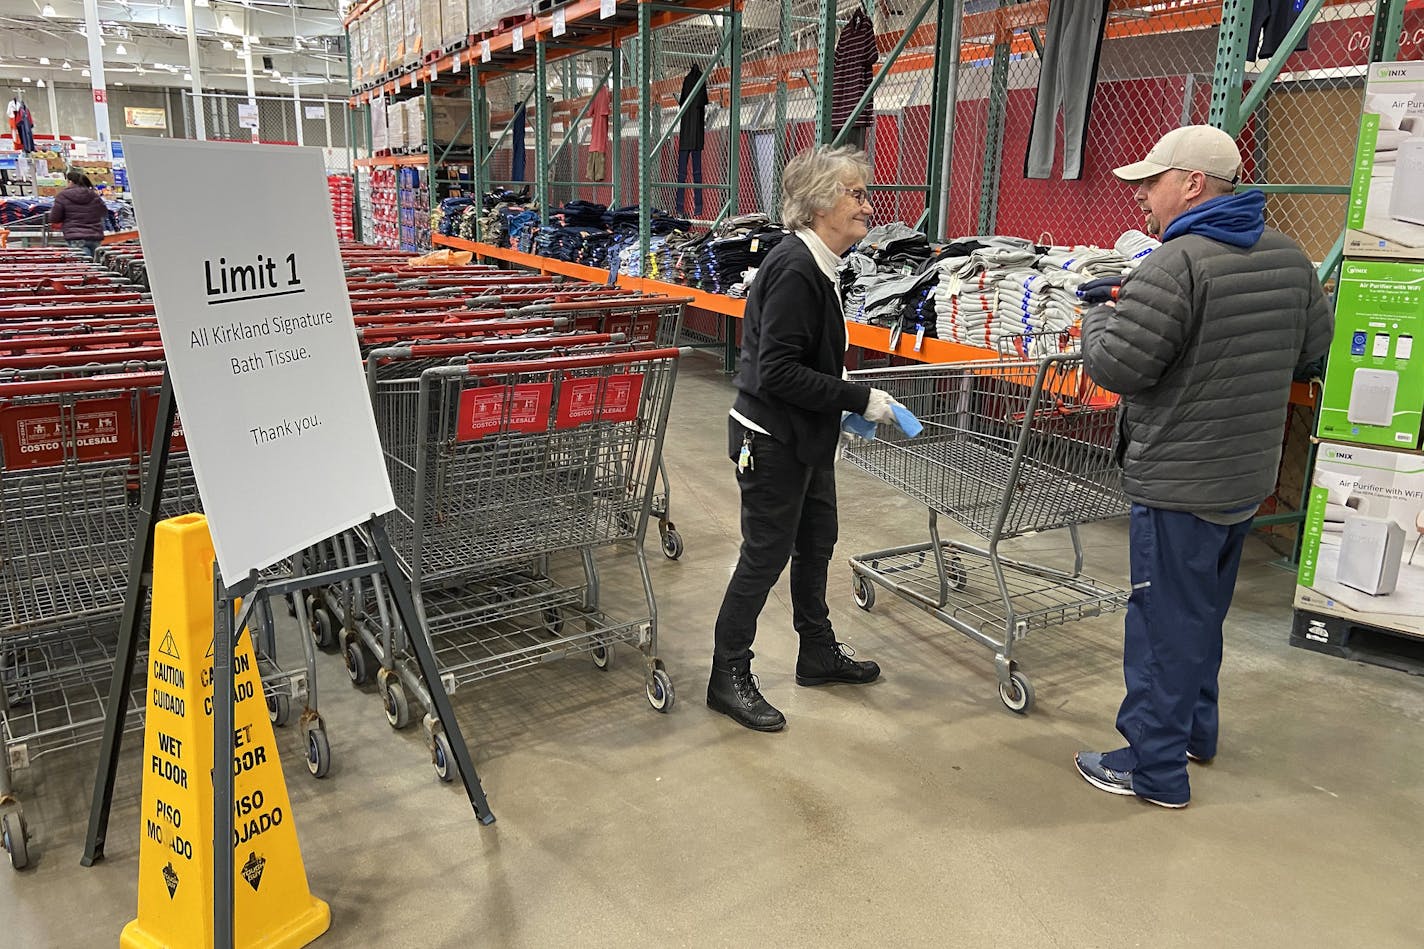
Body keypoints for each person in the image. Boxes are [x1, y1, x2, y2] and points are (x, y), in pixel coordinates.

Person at [1075, 125, 1333, 807]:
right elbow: (1314, 347)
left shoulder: (1176, 263)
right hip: (1243, 477)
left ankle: (1152, 770)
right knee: (1200, 614)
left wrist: (1097, 312)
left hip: (1178, 481)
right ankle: (1194, 731)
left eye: (1151, 183)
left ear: (1192, 184)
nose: (1142, 199)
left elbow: (1117, 365)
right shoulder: (1290, 259)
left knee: (1162, 622)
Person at [707, 144, 900, 732]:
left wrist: (840, 391)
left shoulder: (821, 264)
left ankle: (815, 651)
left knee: (817, 541)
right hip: (771, 440)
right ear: (820, 204)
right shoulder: (795, 267)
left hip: (805, 436)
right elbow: (778, 372)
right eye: (856, 194)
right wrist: (857, 398)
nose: (867, 205)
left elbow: (803, 357)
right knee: (764, 557)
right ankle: (726, 676)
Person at [49, 170, 108, 259]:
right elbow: (103, 212)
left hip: (75, 236)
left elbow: (55, 218)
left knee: (84, 266)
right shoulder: (93, 195)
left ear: (70, 181)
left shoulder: (63, 196)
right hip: (95, 236)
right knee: (97, 266)